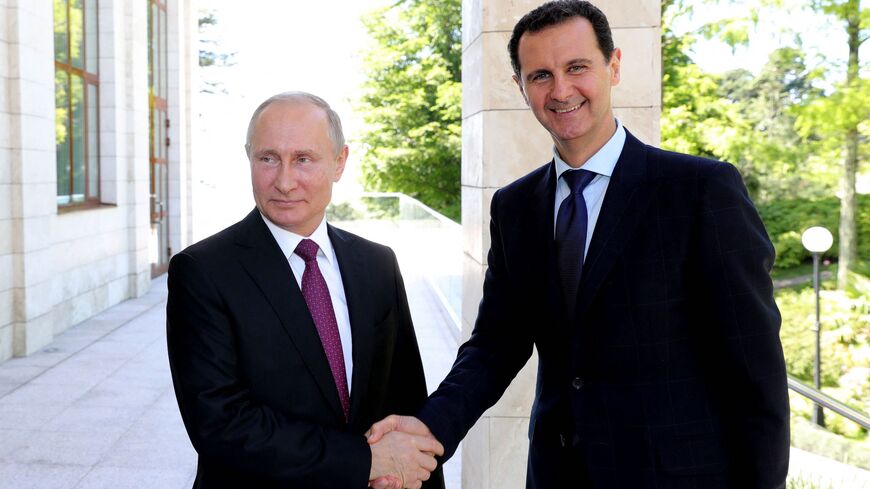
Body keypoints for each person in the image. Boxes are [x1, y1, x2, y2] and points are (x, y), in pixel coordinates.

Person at [367, 1, 790, 488]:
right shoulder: (515, 207)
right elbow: (494, 346)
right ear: (521, 86)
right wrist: (428, 428)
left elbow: (754, 371)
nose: (561, 90)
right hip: (557, 474)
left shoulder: (700, 190)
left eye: (577, 67)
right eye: (541, 75)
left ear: (613, 65)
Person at [166, 91, 445, 489]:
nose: (283, 181)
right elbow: (220, 424)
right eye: (268, 158)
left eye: (303, 159)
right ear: (249, 158)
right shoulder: (203, 271)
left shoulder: (378, 264)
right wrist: (361, 461)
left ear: (339, 162)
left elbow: (406, 400)